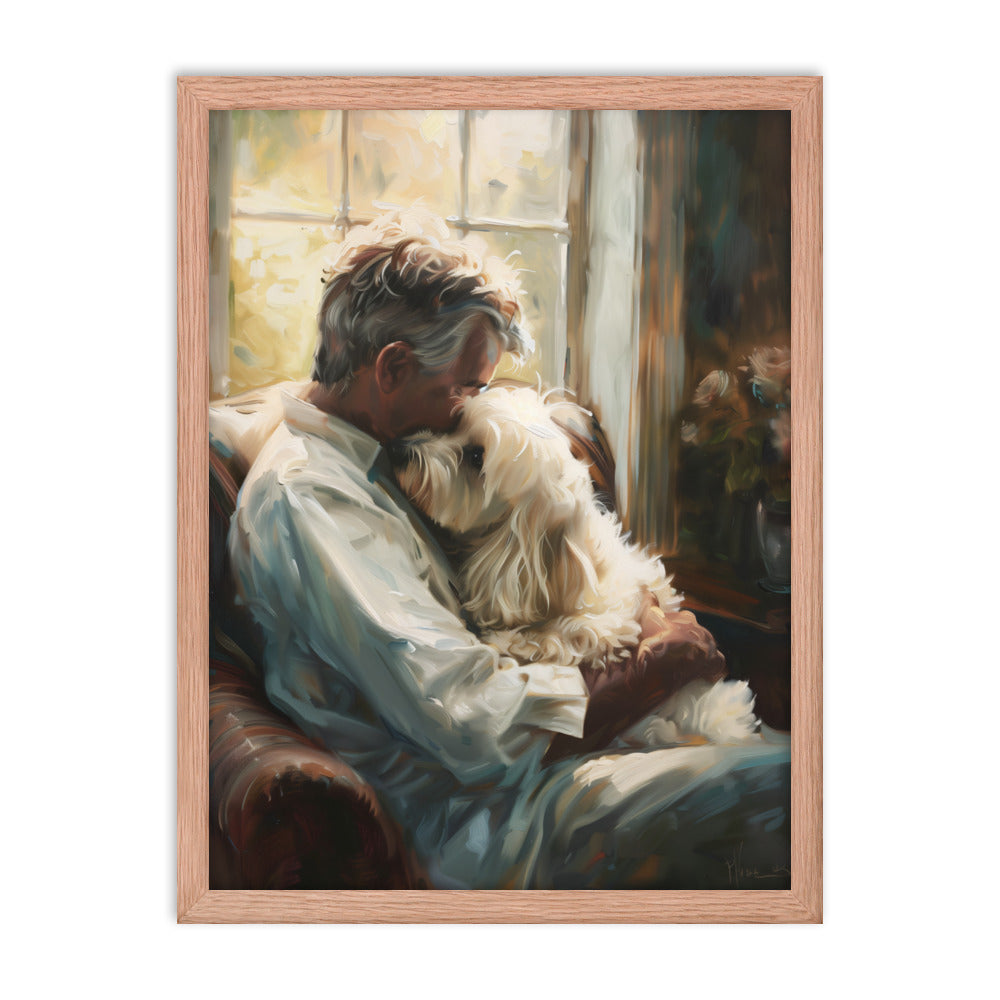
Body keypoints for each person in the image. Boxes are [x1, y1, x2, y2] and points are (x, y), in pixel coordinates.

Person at [226, 209, 791, 889]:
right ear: (392, 367)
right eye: (464, 387)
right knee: (800, 786)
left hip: (555, 771)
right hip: (490, 820)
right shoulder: (310, 499)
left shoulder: (371, 451)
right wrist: (654, 668)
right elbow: (472, 721)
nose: (471, 408)